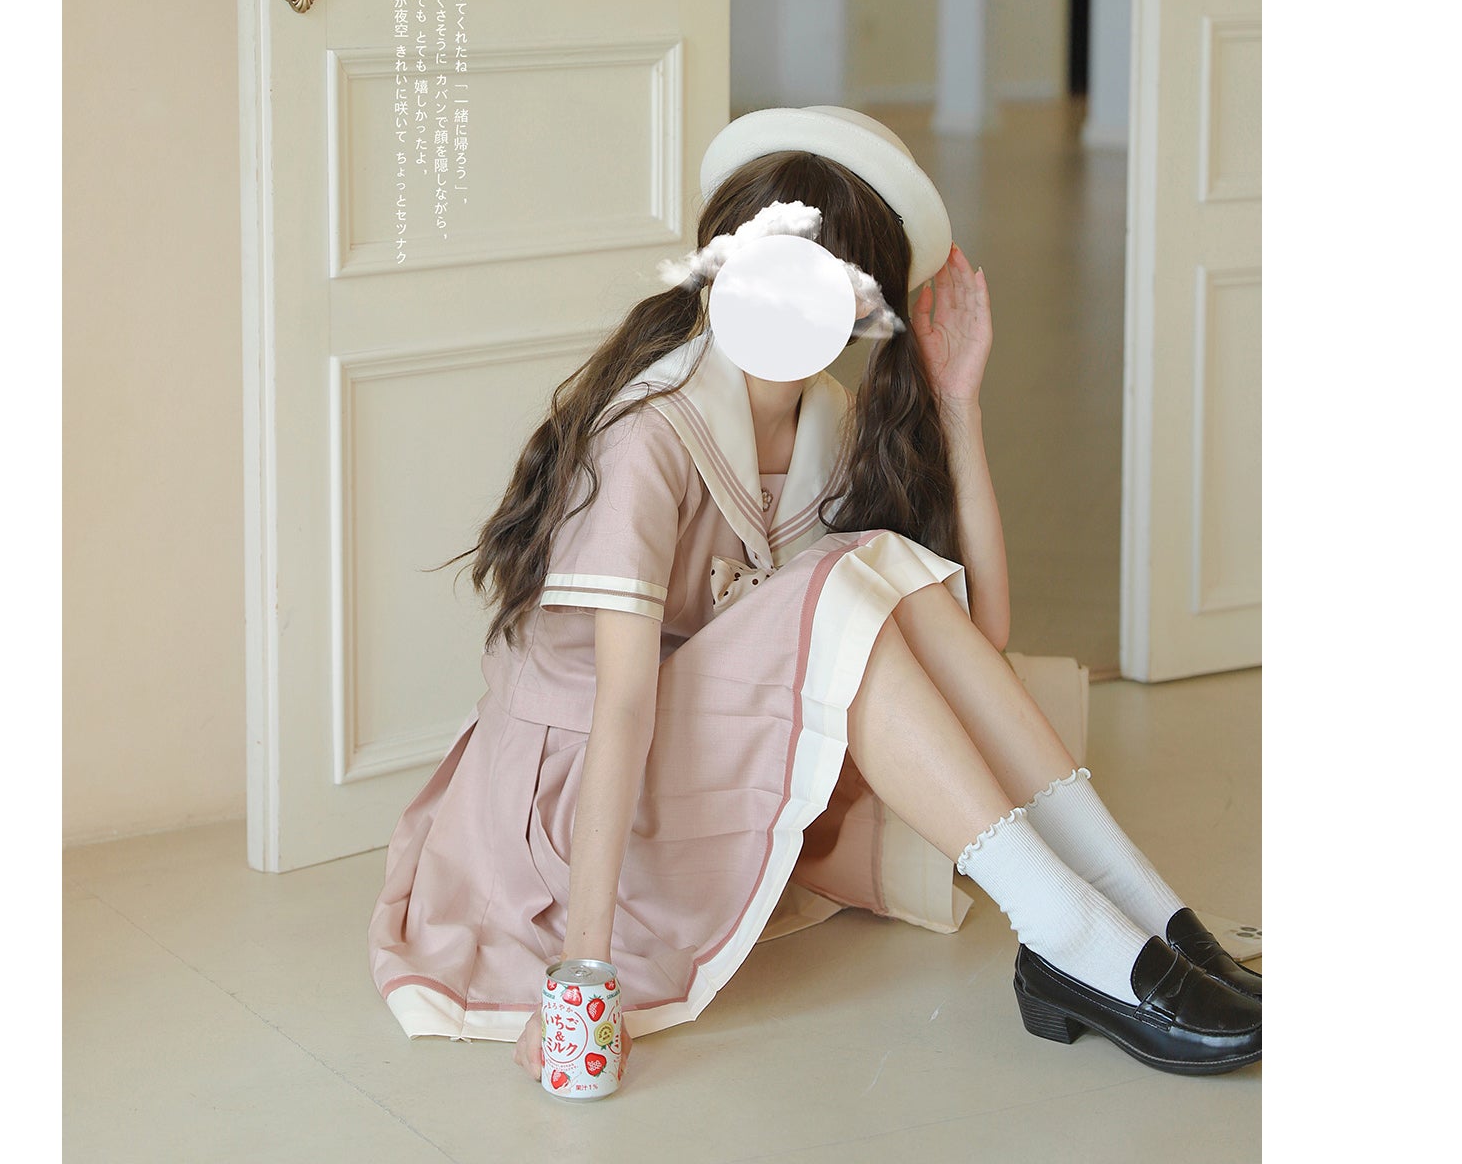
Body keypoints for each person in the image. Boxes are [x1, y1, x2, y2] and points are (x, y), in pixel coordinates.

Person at [367, 106, 1261, 1086]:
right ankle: (1070, 933)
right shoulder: (649, 435)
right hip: (571, 810)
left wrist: (958, 405)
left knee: (871, 566)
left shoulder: (825, 422)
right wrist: (584, 971)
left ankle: (1139, 912)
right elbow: (620, 707)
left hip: (688, 753)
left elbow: (976, 640)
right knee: (848, 576)